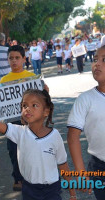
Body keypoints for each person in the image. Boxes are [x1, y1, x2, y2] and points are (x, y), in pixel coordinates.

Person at [0, 77, 77, 200]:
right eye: (24, 105)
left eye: (34, 105)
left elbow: (63, 166)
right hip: (29, 190)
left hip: (52, 190)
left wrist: (72, 194)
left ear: (46, 111)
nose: (27, 109)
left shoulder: (55, 135)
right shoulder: (19, 132)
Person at [67, 45, 105, 200]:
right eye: (95, 59)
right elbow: (72, 137)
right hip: (100, 168)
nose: (97, 63)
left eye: (104, 60)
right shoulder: (85, 99)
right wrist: (81, 173)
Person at [0, 45, 36, 191]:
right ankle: (18, 178)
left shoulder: (31, 78)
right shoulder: (4, 80)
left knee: (32, 148)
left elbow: (41, 101)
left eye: (17, 58)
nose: (14, 61)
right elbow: (1, 103)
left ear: (23, 59)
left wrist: (45, 92)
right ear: (7, 60)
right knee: (13, 150)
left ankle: (33, 176)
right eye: (11, 58)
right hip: (13, 122)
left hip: (31, 121)